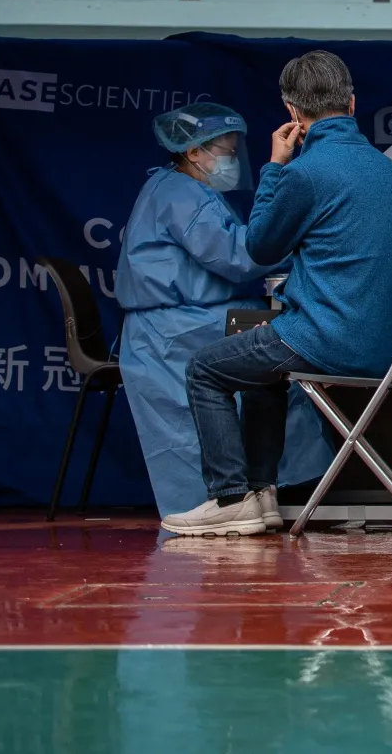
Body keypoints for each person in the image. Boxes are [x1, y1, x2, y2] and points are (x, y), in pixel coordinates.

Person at [162, 51, 392, 537]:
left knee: (204, 369)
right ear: (352, 103)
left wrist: (276, 165)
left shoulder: (305, 172)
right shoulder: (385, 170)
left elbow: (259, 245)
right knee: (262, 371)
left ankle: (231, 498)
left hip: (323, 337)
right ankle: (262, 496)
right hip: (380, 345)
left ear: (293, 113)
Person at [116, 103, 332, 530]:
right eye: (224, 151)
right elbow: (237, 256)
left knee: (270, 369)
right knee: (268, 362)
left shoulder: (188, 190)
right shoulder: (180, 194)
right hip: (175, 331)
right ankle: (231, 497)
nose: (232, 160)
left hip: (194, 319)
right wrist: (302, 238)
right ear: (193, 152)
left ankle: (259, 490)